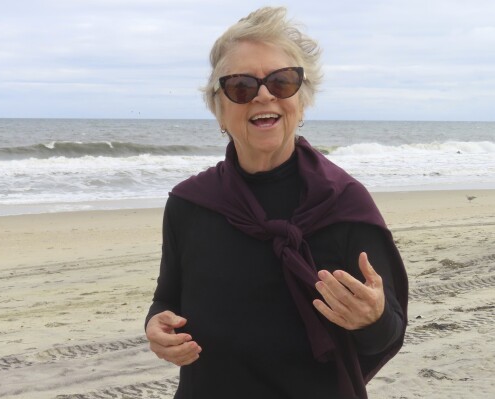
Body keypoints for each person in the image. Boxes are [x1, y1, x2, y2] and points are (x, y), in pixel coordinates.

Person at [145, 6, 408, 399]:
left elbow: (387, 335)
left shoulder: (343, 203)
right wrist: (156, 328)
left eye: (282, 81)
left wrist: (370, 318)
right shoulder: (190, 203)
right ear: (219, 109)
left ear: (302, 101)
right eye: (240, 86)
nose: (263, 95)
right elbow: (166, 298)